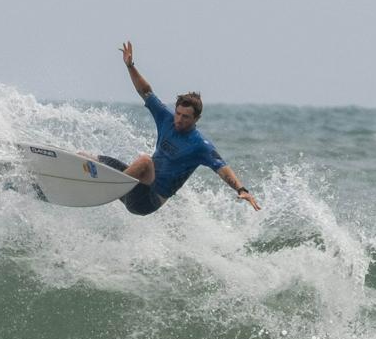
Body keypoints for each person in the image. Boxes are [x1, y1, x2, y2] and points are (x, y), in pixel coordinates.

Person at [89, 41, 261, 216]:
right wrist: (130, 66)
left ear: (196, 119)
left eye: (185, 117)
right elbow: (145, 91)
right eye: (178, 113)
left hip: (148, 201)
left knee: (145, 161)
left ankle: (106, 190)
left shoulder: (200, 145)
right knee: (88, 159)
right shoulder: (167, 118)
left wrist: (241, 189)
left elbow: (223, 169)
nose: (179, 120)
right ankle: (83, 183)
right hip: (134, 187)